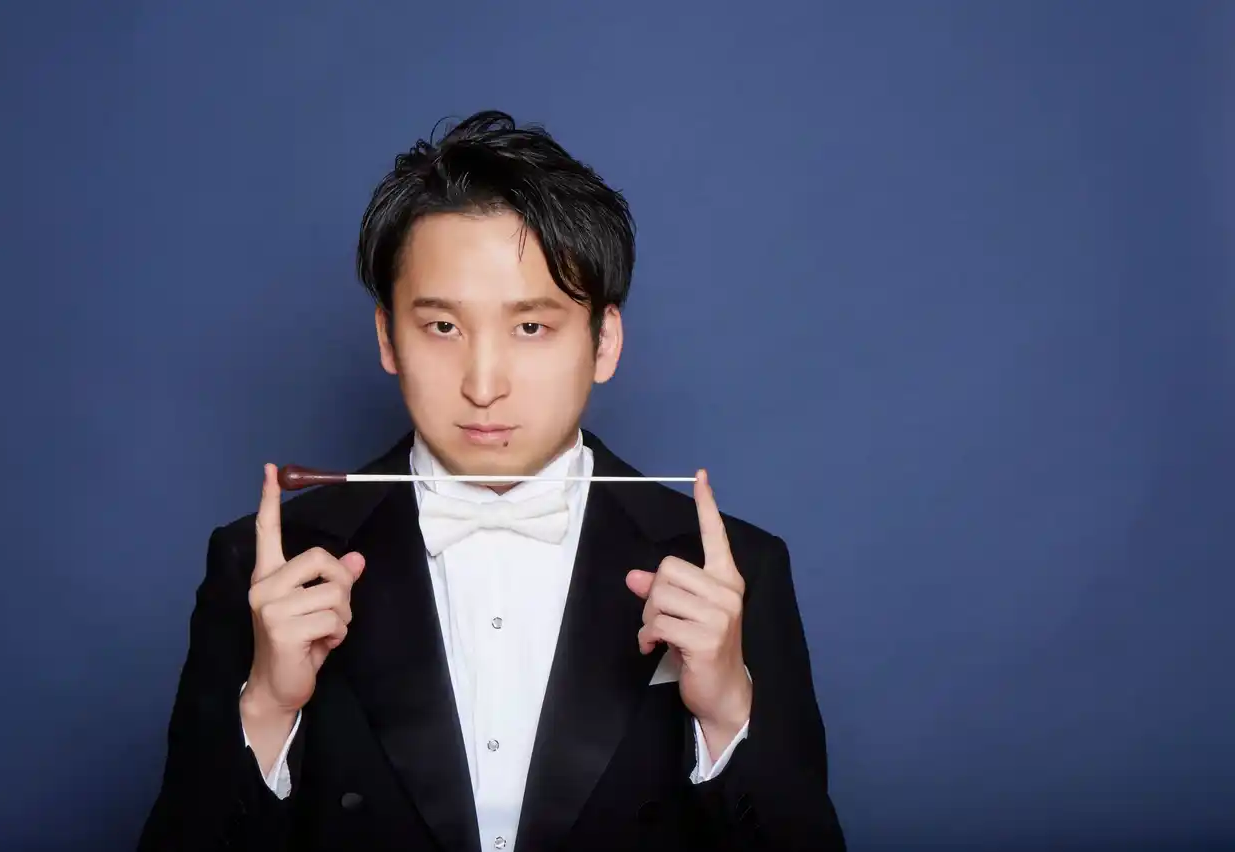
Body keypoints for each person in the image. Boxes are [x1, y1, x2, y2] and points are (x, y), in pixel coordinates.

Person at [137, 110, 846, 852]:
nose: (483, 386)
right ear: (388, 338)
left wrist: (730, 714)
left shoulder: (735, 570)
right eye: (442, 327)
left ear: (605, 341)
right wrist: (265, 710)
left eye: (531, 327)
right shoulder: (264, 567)